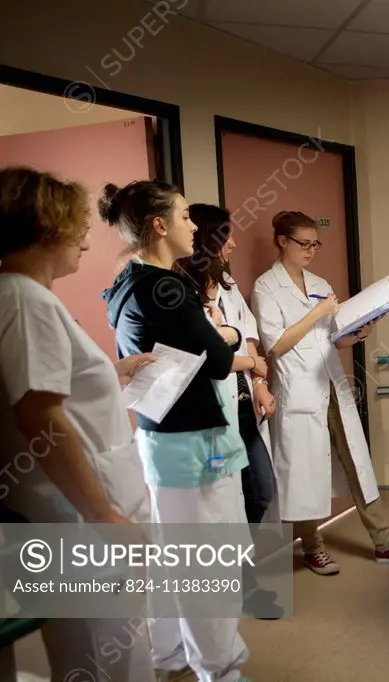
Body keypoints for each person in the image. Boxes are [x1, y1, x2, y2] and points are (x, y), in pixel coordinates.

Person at [0, 166, 157, 682]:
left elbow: (45, 388)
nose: (86, 243)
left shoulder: (21, 297)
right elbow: (38, 415)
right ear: (45, 227)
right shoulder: (26, 300)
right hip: (78, 520)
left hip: (66, 516)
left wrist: (110, 372)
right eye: (76, 228)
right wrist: (103, 513)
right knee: (107, 654)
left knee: (87, 651)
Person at [99, 180, 251, 682]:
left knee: (176, 554)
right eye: (186, 216)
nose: (194, 226)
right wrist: (227, 334)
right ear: (160, 225)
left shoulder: (126, 281)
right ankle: (219, 669)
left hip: (165, 439)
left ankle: (171, 655)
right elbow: (221, 358)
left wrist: (216, 337)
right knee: (207, 562)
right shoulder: (164, 287)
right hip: (193, 444)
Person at [251, 210, 389, 575]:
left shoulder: (317, 281)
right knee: (304, 473)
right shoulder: (266, 287)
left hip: (332, 386)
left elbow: (333, 339)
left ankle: (385, 542)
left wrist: (360, 330)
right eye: (304, 243)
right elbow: (275, 344)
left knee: (358, 465)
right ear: (282, 241)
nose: (311, 250)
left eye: (316, 243)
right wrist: (316, 313)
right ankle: (312, 547)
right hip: (297, 392)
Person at [177, 203, 282, 619]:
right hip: (211, 416)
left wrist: (258, 382)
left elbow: (247, 337)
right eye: (226, 235)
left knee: (259, 490)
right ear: (206, 241)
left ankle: (239, 576)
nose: (234, 243)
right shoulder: (182, 289)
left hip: (240, 409)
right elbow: (210, 356)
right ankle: (240, 584)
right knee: (224, 503)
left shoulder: (226, 284)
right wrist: (248, 363)